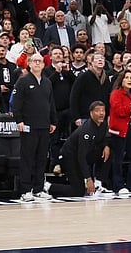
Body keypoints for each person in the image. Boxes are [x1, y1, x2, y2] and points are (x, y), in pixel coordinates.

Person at [12, 53, 56, 202]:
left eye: (40, 61)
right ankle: (26, 190)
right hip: (28, 126)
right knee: (27, 158)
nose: (37, 63)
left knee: (42, 158)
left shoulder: (47, 82)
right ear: (29, 63)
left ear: (44, 64)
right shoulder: (23, 81)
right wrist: (19, 121)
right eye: (34, 61)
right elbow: (16, 103)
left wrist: (53, 121)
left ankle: (38, 189)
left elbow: (51, 104)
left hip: (44, 126)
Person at [49, 101, 109, 199]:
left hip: (86, 154)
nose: (101, 113)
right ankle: (49, 187)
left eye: (103, 110)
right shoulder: (87, 130)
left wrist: (106, 146)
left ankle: (99, 183)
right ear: (91, 113)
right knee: (78, 191)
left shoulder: (103, 125)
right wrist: (88, 179)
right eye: (98, 111)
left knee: (109, 153)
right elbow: (81, 156)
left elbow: (104, 139)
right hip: (70, 157)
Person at [107, 69, 131, 196]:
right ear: (121, 80)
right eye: (127, 78)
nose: (129, 80)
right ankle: (118, 185)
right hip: (118, 131)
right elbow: (119, 111)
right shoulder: (116, 94)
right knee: (118, 158)